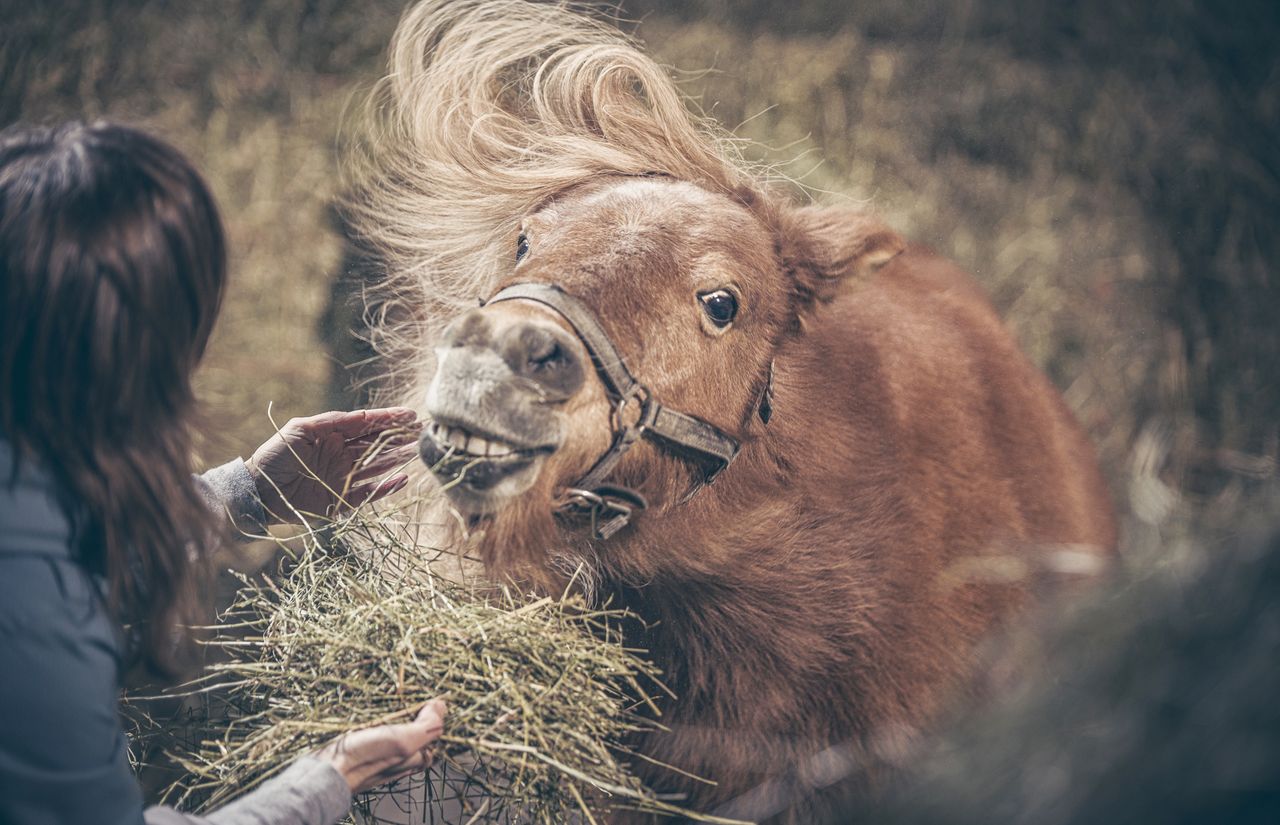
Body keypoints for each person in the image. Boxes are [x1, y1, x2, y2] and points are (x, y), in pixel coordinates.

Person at [0, 121, 445, 825]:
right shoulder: (37, 623)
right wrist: (329, 780)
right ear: (130, 354)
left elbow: (60, 538)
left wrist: (244, 494)